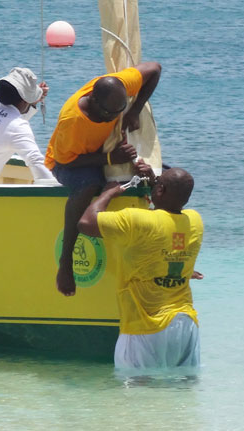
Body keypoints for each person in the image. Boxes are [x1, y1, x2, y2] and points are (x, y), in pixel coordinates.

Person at [44, 62, 162, 296]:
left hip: (104, 152)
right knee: (89, 185)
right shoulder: (73, 120)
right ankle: (66, 262)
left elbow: (155, 69)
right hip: (70, 161)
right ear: (94, 102)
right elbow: (65, 161)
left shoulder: (119, 85)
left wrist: (134, 109)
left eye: (119, 110)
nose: (113, 117)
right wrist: (109, 158)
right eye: (109, 114)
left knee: (162, 177)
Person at [77, 160, 204, 369]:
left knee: (136, 395)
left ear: (161, 190)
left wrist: (108, 193)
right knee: (181, 393)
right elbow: (165, 225)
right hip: (186, 324)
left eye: (158, 185)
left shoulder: (137, 221)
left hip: (145, 326)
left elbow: (86, 223)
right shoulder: (195, 221)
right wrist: (157, 183)